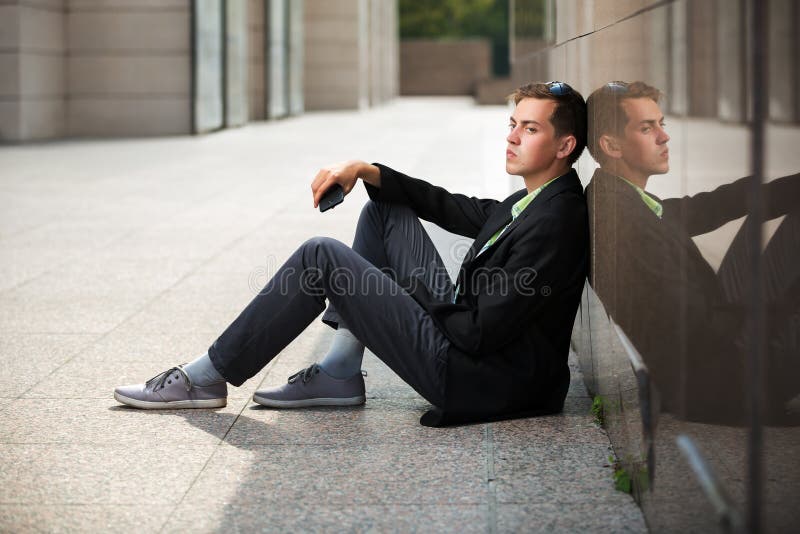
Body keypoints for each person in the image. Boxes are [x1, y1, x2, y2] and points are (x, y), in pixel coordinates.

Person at [114, 81, 590, 427]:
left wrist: (403, 297)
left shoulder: (556, 220)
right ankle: (341, 371)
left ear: (565, 145)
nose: (511, 137)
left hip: (473, 376)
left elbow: (481, 333)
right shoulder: (535, 197)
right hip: (471, 340)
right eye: (513, 124)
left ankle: (206, 377)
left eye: (529, 129)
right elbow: (450, 205)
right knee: (385, 212)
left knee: (321, 255)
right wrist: (366, 170)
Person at [585, 81, 799, 425]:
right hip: (722, 379)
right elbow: (695, 328)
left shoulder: (615, 197)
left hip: (710, 344)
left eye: (661, 124)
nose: (663, 136)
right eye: (646, 127)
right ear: (611, 145)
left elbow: (707, 207)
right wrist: (784, 310)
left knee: (782, 210)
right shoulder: (625, 225)